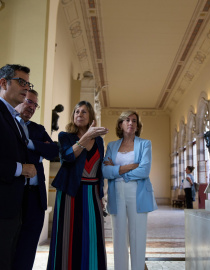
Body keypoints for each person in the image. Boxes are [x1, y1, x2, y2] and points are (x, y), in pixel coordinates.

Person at [47, 101, 108, 270]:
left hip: (92, 193)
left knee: (92, 235)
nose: (79, 114)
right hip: (69, 192)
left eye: (84, 112)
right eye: (76, 112)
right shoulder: (65, 136)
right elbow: (67, 157)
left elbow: (99, 170)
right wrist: (86, 137)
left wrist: (101, 196)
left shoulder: (99, 142)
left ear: (90, 118)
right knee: (67, 235)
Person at [102, 110, 157, 270]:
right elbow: (105, 171)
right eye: (127, 120)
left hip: (138, 193)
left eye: (134, 121)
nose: (131, 123)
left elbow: (144, 171)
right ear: (121, 124)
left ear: (137, 125)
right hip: (115, 193)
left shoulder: (145, 144)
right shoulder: (112, 145)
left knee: (138, 236)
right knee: (118, 236)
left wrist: (118, 171)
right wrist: (129, 167)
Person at [13, 90, 59, 270]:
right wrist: (38, 153)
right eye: (29, 102)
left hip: (35, 197)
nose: (32, 107)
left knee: (29, 245)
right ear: (19, 99)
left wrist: (30, 144)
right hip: (14, 194)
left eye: (35, 105)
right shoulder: (8, 125)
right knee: (10, 243)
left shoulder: (38, 129)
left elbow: (54, 152)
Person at [0, 64, 37, 270]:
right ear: (3, 83)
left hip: (14, 207)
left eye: (28, 83)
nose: (26, 87)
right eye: (21, 82)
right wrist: (19, 169)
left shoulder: (13, 117)